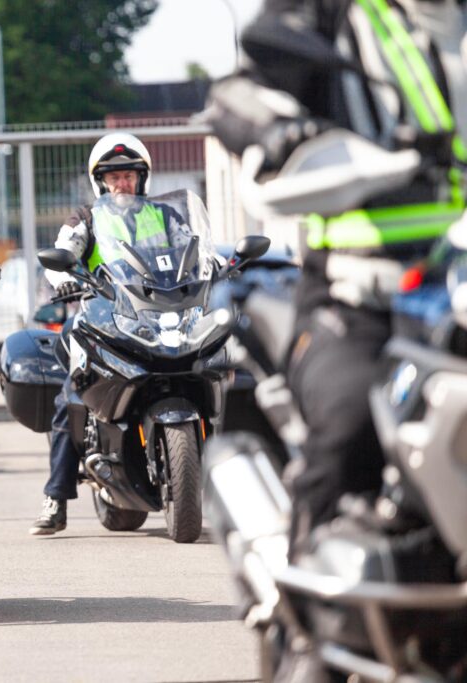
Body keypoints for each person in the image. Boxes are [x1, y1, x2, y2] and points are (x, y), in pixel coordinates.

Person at [203, 0, 467, 554]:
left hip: (457, 293)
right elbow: (236, 94)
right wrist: (277, 128)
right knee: (352, 428)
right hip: (360, 295)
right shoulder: (334, 13)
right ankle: (309, 591)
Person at [30, 133, 189, 535]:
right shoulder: (86, 218)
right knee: (72, 393)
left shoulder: (167, 217)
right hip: (102, 313)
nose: (122, 184)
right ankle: (56, 497)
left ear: (142, 178)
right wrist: (62, 279)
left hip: (161, 313)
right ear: (101, 181)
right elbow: (60, 254)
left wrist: (215, 269)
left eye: (129, 176)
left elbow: (195, 251)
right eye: (114, 177)